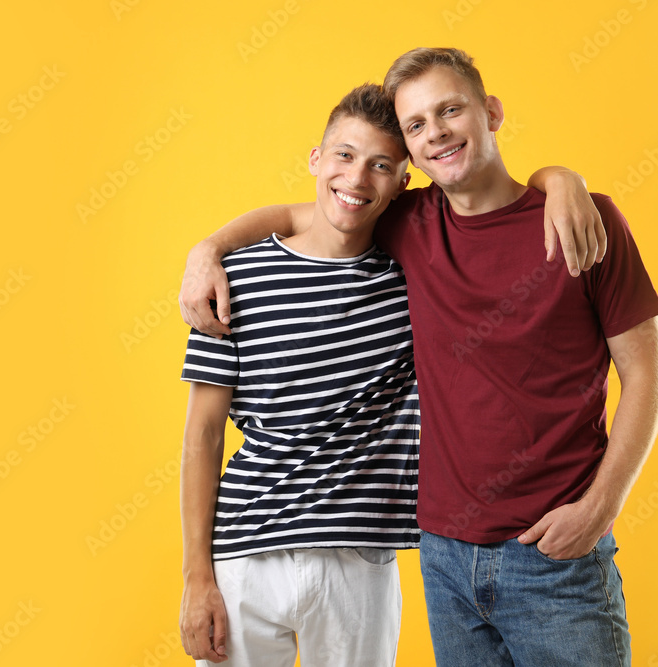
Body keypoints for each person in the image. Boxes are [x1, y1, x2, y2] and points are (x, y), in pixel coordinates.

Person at [181, 48, 658, 666]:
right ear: (412, 156)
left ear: (490, 112)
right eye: (416, 125)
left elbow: (647, 376)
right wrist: (207, 249)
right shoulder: (407, 222)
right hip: (444, 556)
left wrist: (600, 508)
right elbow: (318, 212)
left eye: (450, 110)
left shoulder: (583, 219)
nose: (435, 131)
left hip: (556, 558)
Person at [178, 84, 420, 667]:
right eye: (344, 154)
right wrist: (196, 577)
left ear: (402, 182)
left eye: (380, 164)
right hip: (242, 556)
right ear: (315, 159)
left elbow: (490, 202)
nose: (357, 178)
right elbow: (204, 436)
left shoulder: (415, 273)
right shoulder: (234, 276)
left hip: (358, 561)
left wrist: (560, 179)